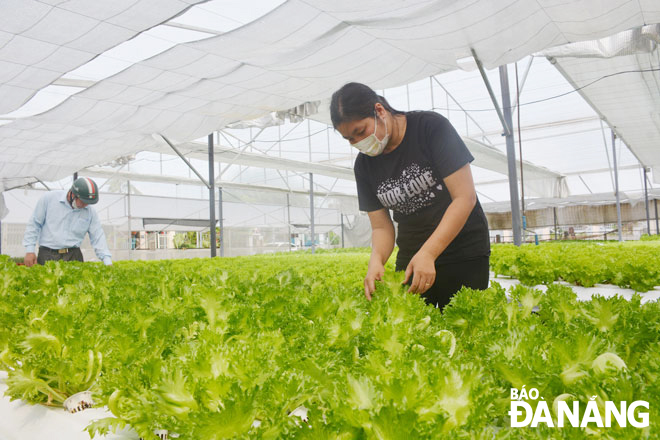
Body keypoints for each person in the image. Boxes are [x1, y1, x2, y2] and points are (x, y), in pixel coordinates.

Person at [331, 82, 490, 310]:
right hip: (412, 257)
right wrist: (376, 261)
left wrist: (429, 252)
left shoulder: (430, 128)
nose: (358, 143)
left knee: (466, 327)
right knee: (413, 329)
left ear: (379, 111)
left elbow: (464, 198)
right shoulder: (364, 166)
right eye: (350, 139)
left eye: (361, 132)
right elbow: (381, 228)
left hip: (462, 251)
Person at [23, 177, 113, 267]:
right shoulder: (49, 199)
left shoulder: (90, 212)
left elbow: (98, 236)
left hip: (74, 255)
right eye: (82, 202)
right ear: (72, 194)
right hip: (48, 254)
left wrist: (107, 261)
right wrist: (30, 250)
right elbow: (34, 224)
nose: (85, 205)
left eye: (88, 203)